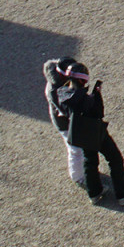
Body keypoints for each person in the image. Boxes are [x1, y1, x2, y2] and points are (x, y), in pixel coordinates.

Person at [59, 70, 124, 203]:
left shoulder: (64, 93)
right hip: (95, 131)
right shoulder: (86, 99)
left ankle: (94, 193)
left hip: (80, 133)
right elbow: (98, 112)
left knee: (90, 161)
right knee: (115, 159)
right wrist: (97, 95)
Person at [42, 59, 88, 187]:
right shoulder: (55, 90)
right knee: (75, 149)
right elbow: (67, 111)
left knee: (81, 147)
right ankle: (78, 177)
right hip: (64, 123)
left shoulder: (60, 73)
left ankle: (84, 167)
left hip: (68, 120)